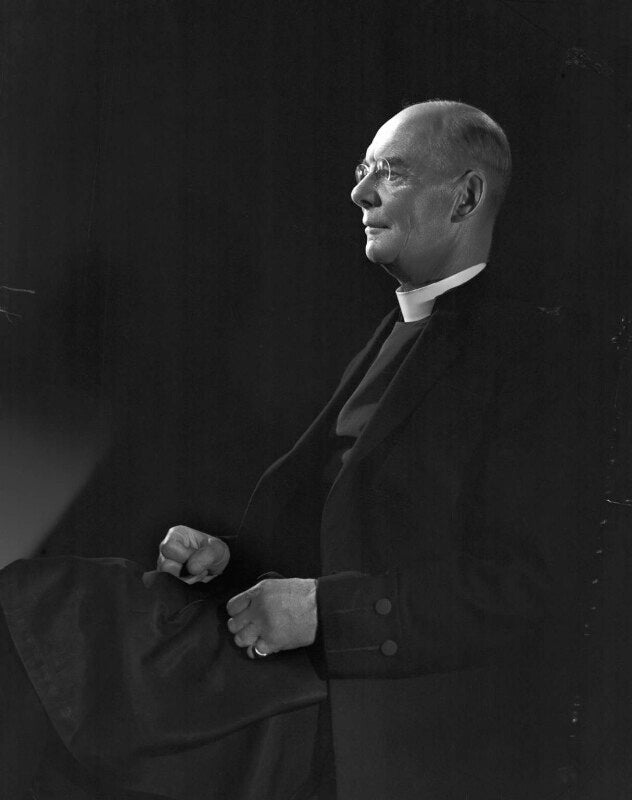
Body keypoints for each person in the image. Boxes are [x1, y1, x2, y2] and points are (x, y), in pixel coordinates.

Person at [0, 100, 586, 800]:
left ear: (465, 197)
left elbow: (526, 588)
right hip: (290, 665)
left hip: (368, 708)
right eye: (363, 169)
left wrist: (320, 613)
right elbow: (340, 530)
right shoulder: (397, 328)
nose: (359, 192)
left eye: (390, 173)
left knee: (41, 649)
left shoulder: (533, 355)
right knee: (40, 615)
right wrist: (229, 557)